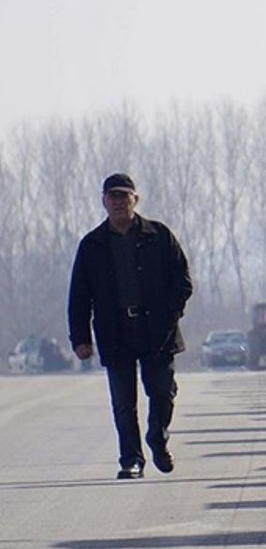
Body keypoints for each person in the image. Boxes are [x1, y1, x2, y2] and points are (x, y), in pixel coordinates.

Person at [68, 173, 193, 480]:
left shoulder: (159, 236)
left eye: (124, 196)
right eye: (113, 196)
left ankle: (157, 438)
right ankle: (131, 459)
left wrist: (170, 315)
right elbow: (79, 295)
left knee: (163, 392)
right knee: (123, 403)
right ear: (103, 201)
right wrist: (80, 338)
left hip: (157, 330)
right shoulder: (93, 245)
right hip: (115, 331)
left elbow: (182, 281)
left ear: (135, 199)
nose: (119, 202)